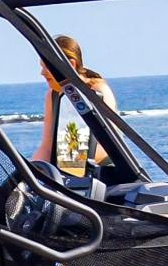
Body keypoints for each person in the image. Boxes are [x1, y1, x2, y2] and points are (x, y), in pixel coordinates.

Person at [33, 35, 118, 173]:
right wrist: (32, 173)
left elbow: (106, 144)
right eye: (41, 66)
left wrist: (71, 166)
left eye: (46, 66)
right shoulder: (52, 95)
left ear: (71, 64)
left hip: (101, 174)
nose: (42, 73)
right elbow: (47, 147)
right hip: (66, 171)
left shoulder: (98, 91)